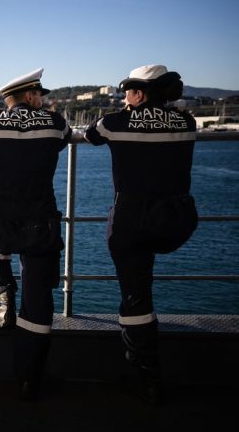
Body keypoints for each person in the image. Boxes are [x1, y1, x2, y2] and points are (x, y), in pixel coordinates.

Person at [84, 65, 197, 404]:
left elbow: (90, 134)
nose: (124, 96)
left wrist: (126, 112)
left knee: (136, 296)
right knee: (143, 283)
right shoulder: (187, 121)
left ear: (140, 92)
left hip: (132, 220)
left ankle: (146, 375)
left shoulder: (116, 122)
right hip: (176, 219)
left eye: (128, 90)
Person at [0, 68, 71, 399]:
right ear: (30, 96)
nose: (43, 100)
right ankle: (29, 377)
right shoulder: (54, 122)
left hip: (5, 220)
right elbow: (64, 138)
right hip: (41, 222)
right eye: (40, 95)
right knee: (38, 301)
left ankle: (4, 298)